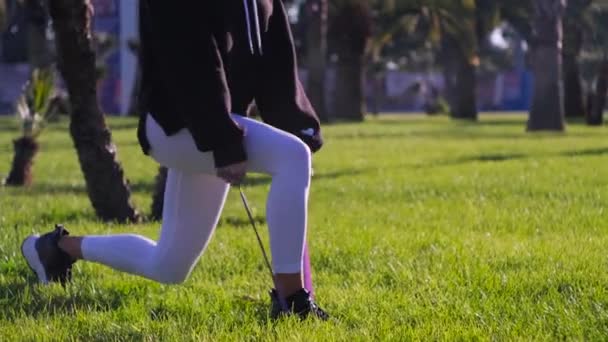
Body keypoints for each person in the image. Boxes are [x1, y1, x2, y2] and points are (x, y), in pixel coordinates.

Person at [21, 0, 328, 320]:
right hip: (177, 125)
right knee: (292, 157)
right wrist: (222, 141)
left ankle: (56, 250)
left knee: (168, 265)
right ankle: (293, 303)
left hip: (218, 126)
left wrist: (299, 127)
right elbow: (191, 60)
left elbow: (276, 57)